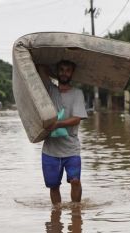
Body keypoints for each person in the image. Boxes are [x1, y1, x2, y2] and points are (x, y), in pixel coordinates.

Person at [36, 60, 88, 206]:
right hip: (50, 150)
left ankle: (76, 212)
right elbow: (40, 70)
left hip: (71, 148)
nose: (64, 73)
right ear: (57, 72)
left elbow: (77, 119)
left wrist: (57, 124)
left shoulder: (77, 94)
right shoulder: (50, 91)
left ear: (72, 73)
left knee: (75, 181)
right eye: (61, 70)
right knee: (53, 186)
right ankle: (56, 214)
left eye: (68, 70)